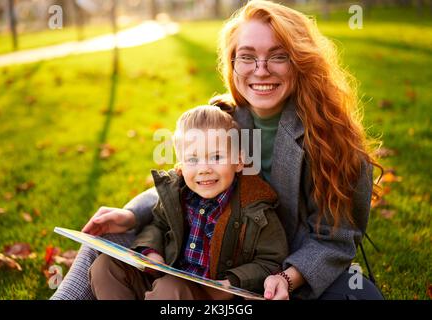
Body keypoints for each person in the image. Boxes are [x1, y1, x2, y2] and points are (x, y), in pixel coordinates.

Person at [51, 0, 383, 300]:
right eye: (247, 56)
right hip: (209, 252)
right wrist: (131, 215)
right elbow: (185, 181)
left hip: (278, 270)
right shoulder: (224, 117)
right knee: (109, 243)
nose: (261, 69)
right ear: (232, 63)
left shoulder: (335, 140)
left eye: (278, 56)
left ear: (299, 61)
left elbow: (336, 238)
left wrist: (288, 277)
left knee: (362, 298)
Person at [88, 106, 288, 299]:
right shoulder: (177, 195)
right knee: (105, 266)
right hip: (164, 280)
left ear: (238, 161)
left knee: (170, 289)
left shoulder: (255, 208)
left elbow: (270, 260)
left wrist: (232, 282)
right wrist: (151, 251)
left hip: (211, 294)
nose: (204, 169)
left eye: (216, 157)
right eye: (192, 160)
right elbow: (158, 225)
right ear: (180, 166)